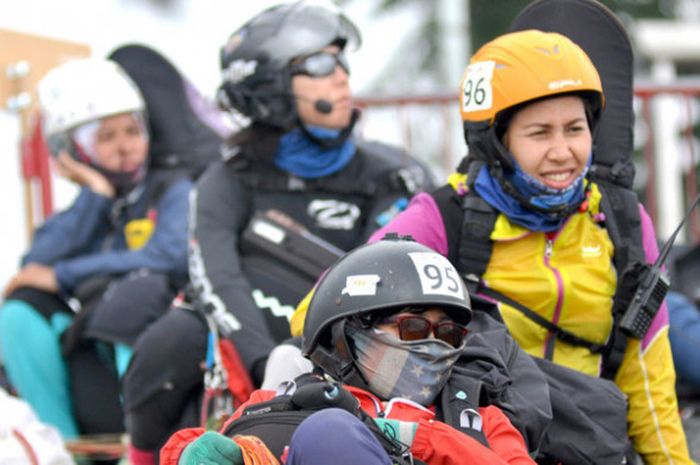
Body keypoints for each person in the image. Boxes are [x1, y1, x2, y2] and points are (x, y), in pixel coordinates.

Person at [307, 29, 689, 464]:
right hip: (475, 443)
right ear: (497, 141)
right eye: (540, 133)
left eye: (575, 129)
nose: (563, 151)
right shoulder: (444, 215)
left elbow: (648, 372)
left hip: (589, 444)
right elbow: (323, 309)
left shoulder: (621, 219)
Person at [121, 2, 434, 464]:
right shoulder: (228, 177)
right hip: (249, 342)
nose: (342, 76)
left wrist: (306, 353)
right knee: (165, 343)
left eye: (341, 60)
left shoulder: (395, 175)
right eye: (321, 64)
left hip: (349, 343)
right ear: (270, 87)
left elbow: (386, 280)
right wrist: (263, 361)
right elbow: (214, 277)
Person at [160, 237, 535, 465]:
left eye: (449, 333)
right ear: (349, 332)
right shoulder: (287, 401)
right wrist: (190, 453)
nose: (434, 343)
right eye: (414, 327)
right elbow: (199, 448)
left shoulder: (480, 421)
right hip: (324, 425)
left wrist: (415, 438)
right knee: (328, 431)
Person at [0, 58, 191, 440]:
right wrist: (95, 194)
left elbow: (170, 255)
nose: (125, 147)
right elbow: (34, 270)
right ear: (72, 150)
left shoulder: (172, 189)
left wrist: (65, 275)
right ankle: (62, 447)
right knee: (19, 310)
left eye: (132, 131)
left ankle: (139, 446)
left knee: (133, 296)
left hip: (152, 348)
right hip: (88, 351)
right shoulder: (84, 210)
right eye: (106, 137)